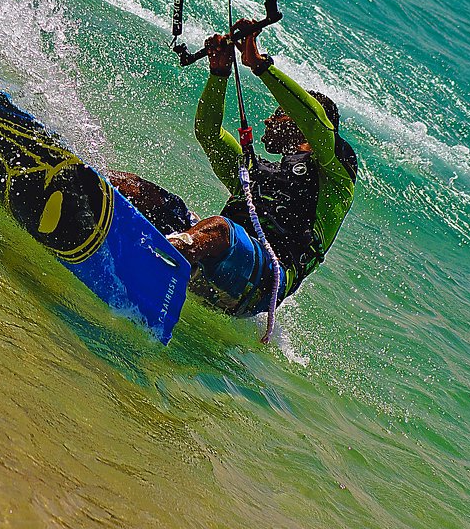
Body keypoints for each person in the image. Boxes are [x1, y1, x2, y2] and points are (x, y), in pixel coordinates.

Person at [111, 19, 357, 316]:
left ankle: (150, 269)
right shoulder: (256, 172)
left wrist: (259, 64)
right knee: (133, 188)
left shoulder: (334, 176)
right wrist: (219, 74)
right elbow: (209, 133)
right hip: (213, 257)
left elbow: (317, 123)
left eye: (278, 115)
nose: (268, 120)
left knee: (219, 229)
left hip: (261, 281)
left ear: (299, 126)